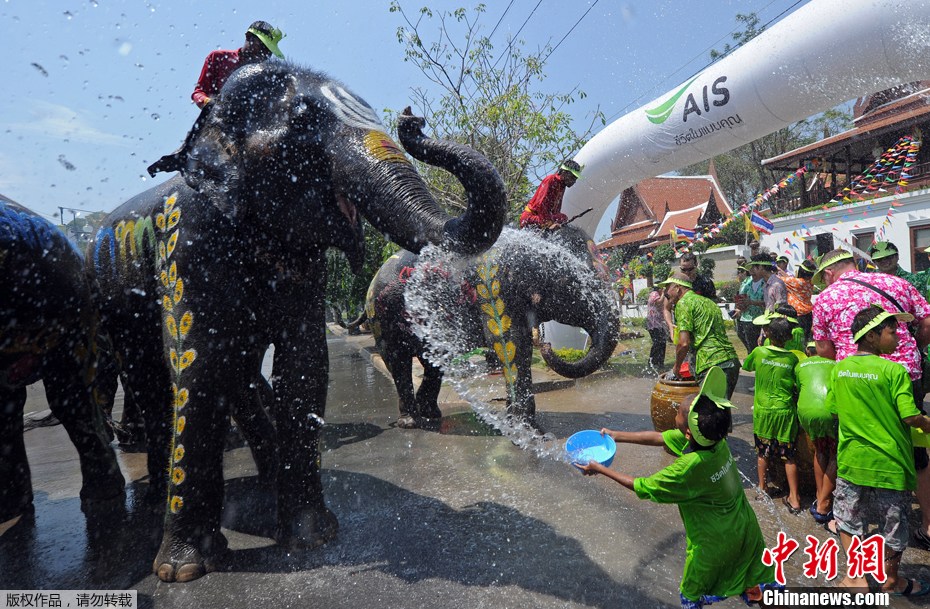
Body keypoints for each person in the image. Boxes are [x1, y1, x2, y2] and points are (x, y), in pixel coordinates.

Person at [575, 367, 778, 608]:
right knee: (761, 586)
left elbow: (642, 486)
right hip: (746, 529)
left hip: (714, 543)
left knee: (691, 596)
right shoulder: (715, 439)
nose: (677, 411)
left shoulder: (687, 468)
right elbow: (659, 438)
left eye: (680, 412)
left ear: (689, 432)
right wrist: (615, 435)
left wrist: (600, 469)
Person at [810, 248, 930, 550]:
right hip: (906, 374)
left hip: (855, 378)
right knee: (916, 450)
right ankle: (928, 523)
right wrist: (911, 349)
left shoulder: (825, 298)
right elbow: (927, 322)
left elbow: (824, 350)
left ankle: (848, 518)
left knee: (854, 442)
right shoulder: (895, 283)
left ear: (827, 274)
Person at [825, 305, 930, 595]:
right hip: (890, 464)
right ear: (871, 336)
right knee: (894, 525)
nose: (899, 336)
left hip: (853, 461)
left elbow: (833, 410)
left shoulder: (840, 368)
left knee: (848, 518)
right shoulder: (894, 371)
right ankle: (891, 581)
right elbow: (910, 417)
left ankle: (856, 578)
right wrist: (928, 424)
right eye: (892, 331)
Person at [742, 314, 802, 515]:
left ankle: (762, 488)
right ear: (789, 337)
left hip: (764, 412)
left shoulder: (759, 352)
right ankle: (794, 497)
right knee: (789, 456)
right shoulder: (792, 358)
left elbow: (747, 366)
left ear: (767, 333)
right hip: (785, 412)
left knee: (762, 453)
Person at [659, 273, 740, 398]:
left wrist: (676, 368)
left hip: (711, 365)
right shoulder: (709, 303)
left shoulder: (684, 303)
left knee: (707, 413)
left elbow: (683, 343)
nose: (665, 293)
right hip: (731, 362)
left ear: (677, 287)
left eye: (667, 288)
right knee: (721, 411)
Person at [191, 20, 285, 109]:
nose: (265, 54)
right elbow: (198, 93)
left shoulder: (266, 75)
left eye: (269, 51)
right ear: (248, 37)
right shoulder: (217, 58)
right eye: (262, 47)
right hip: (217, 121)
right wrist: (208, 102)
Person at [795, 341, 837, 526]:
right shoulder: (837, 363)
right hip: (829, 411)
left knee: (820, 450)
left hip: (806, 411)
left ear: (808, 351)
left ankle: (819, 494)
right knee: (836, 454)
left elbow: (799, 387)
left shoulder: (800, 365)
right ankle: (824, 503)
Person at [519, 160, 582, 230]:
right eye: (572, 177)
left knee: (563, 217)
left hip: (543, 217)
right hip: (531, 217)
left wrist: (556, 222)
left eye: (575, 179)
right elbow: (541, 204)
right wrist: (550, 223)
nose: (574, 181)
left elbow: (556, 209)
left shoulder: (562, 185)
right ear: (564, 173)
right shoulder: (551, 180)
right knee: (562, 218)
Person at [782, 258, 815, 340]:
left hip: (797, 314)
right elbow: (790, 278)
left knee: (797, 337)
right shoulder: (810, 282)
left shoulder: (797, 282)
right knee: (806, 337)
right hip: (808, 313)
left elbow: (779, 278)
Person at [735, 264, 764, 354]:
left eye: (754, 268)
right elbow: (742, 300)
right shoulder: (747, 283)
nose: (752, 271)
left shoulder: (766, 283)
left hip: (761, 319)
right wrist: (739, 308)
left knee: (762, 346)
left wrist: (752, 302)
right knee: (751, 348)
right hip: (747, 319)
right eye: (750, 269)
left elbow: (769, 303)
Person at [645, 284, 668, 372]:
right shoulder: (654, 294)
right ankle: (653, 362)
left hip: (658, 324)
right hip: (654, 324)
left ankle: (659, 362)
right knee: (657, 343)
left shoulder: (656, 293)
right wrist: (663, 293)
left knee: (662, 343)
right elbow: (659, 302)